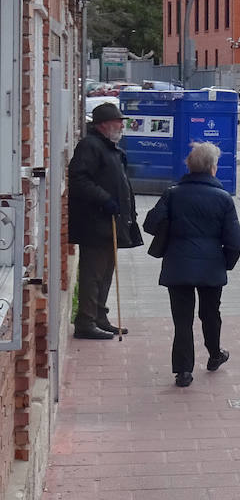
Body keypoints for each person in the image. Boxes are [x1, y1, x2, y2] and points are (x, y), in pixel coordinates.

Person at [143, 141, 240, 388]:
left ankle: (183, 371)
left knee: (182, 319)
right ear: (212, 169)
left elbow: (150, 224)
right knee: (210, 313)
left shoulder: (173, 193)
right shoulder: (223, 199)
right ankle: (214, 354)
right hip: (211, 265)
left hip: (178, 264)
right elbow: (234, 240)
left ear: (190, 167)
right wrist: (226, 264)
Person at [67, 102, 141, 340]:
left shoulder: (110, 148)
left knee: (107, 271)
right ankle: (86, 321)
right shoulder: (90, 146)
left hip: (111, 223)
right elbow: (79, 179)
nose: (122, 125)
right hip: (95, 223)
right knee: (93, 273)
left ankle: (100, 316)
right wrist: (105, 199)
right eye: (118, 121)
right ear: (104, 125)